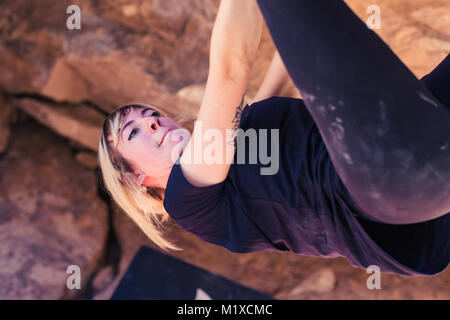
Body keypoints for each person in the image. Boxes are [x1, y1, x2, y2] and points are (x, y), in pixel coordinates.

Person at [98, 0, 449, 276]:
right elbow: (231, 69)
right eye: (135, 132)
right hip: (388, 184)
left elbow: (288, 57)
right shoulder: (187, 200)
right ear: (134, 178)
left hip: (412, 156)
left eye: (151, 115)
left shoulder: (243, 137)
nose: (155, 124)